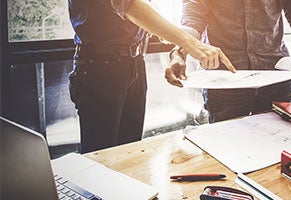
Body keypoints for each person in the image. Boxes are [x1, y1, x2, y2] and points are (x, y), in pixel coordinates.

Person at [67, 0, 236, 153]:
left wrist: (172, 39)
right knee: (101, 158)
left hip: (134, 62)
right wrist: (191, 44)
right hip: (100, 67)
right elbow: (130, 5)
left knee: (130, 153)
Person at [165, 0, 291, 123]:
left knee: (277, 144)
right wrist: (180, 52)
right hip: (224, 79)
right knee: (225, 147)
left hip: (274, 73)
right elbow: (193, 15)